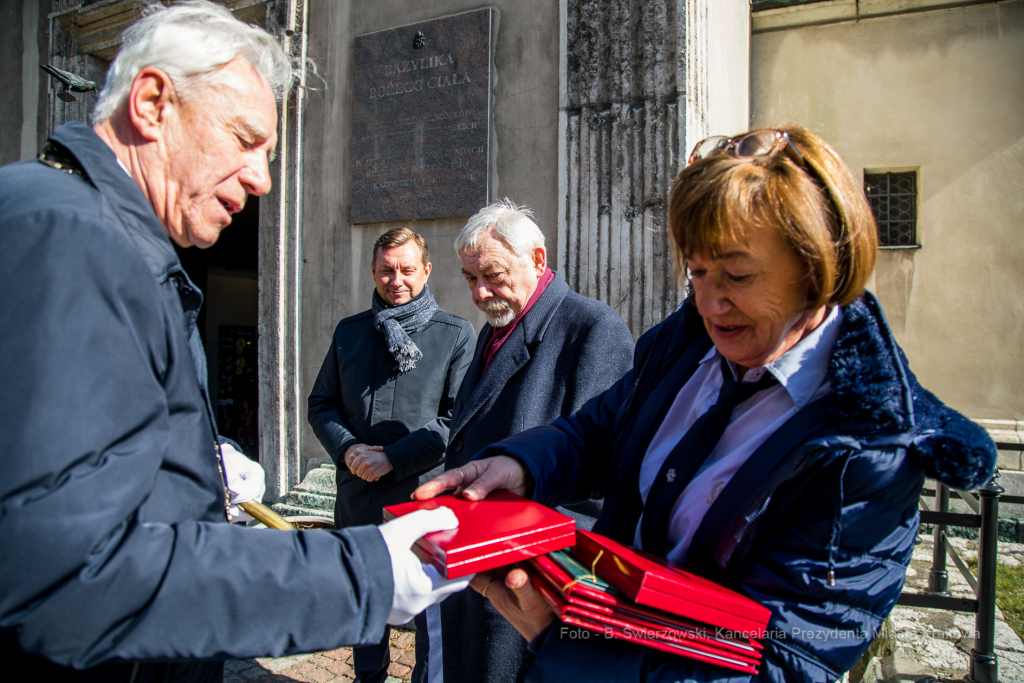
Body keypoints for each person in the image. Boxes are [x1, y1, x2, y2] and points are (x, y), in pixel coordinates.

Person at [415, 128, 998, 682]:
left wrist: (565, 649)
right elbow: (604, 430)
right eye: (697, 270)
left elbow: (787, 661)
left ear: (819, 269)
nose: (712, 301)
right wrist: (521, 465)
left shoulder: (868, 449)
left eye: (739, 275)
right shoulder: (684, 341)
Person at [0, 3, 468, 681]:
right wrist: (359, 574)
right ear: (154, 102)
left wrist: (189, 460)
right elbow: (66, 571)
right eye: (245, 139)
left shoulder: (100, 235)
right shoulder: (68, 239)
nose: (262, 179)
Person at [418, 200, 635, 683]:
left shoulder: (592, 328)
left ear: (538, 260)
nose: (480, 292)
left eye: (492, 275)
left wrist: (539, 568)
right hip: (483, 565)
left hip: (531, 581)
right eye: (470, 279)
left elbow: (599, 469)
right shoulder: (496, 326)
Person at [308, 227, 474, 683]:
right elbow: (321, 403)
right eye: (386, 270)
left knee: (427, 618)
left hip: (420, 500)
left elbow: (455, 420)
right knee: (366, 607)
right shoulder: (350, 332)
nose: (395, 279)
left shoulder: (457, 334)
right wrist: (348, 448)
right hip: (357, 496)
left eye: (406, 269)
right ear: (374, 271)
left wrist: (393, 458)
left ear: (426, 270)